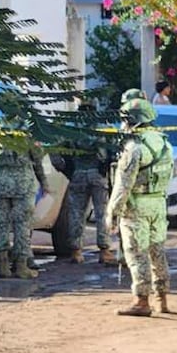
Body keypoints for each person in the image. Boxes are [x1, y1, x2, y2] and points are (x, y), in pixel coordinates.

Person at [105, 90, 174, 316]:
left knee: (136, 253)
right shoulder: (164, 142)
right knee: (157, 251)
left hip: (136, 206)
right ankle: (162, 299)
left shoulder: (134, 147)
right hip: (158, 204)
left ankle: (141, 301)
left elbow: (123, 183)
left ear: (130, 120)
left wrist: (112, 212)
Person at [0, 138, 48, 279]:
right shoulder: (26, 131)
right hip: (23, 185)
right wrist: (44, 182)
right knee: (22, 225)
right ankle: (21, 266)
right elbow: (37, 157)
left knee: (1, 223)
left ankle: (3, 264)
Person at [64, 104, 114, 265]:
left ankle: (76, 251)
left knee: (76, 213)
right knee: (102, 213)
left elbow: (56, 153)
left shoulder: (69, 130)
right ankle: (104, 250)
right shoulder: (105, 128)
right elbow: (114, 153)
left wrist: (68, 170)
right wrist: (106, 168)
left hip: (78, 173)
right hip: (98, 175)